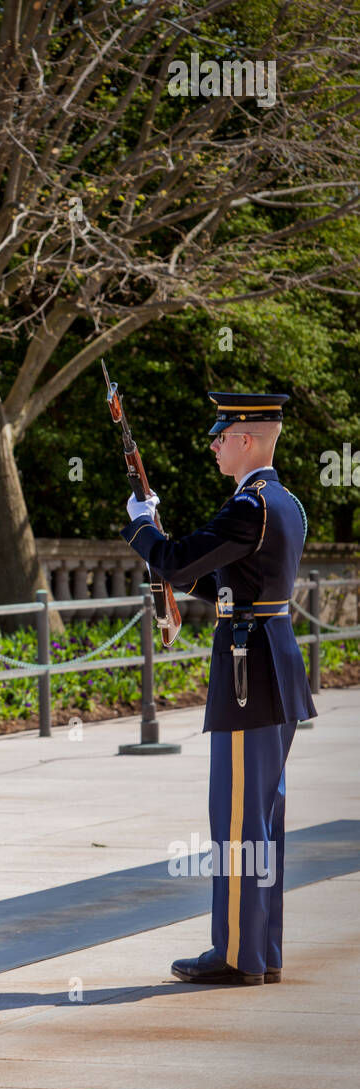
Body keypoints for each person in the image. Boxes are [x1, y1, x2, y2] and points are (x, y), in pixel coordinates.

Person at [121, 391, 315, 985]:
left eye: (221, 434)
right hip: (272, 665)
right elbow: (233, 587)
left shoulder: (249, 506)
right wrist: (172, 555)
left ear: (249, 440)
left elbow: (176, 562)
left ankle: (236, 954)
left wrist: (143, 527)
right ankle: (263, 948)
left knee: (237, 821)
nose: (213, 444)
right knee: (263, 819)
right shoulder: (283, 503)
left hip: (246, 674)